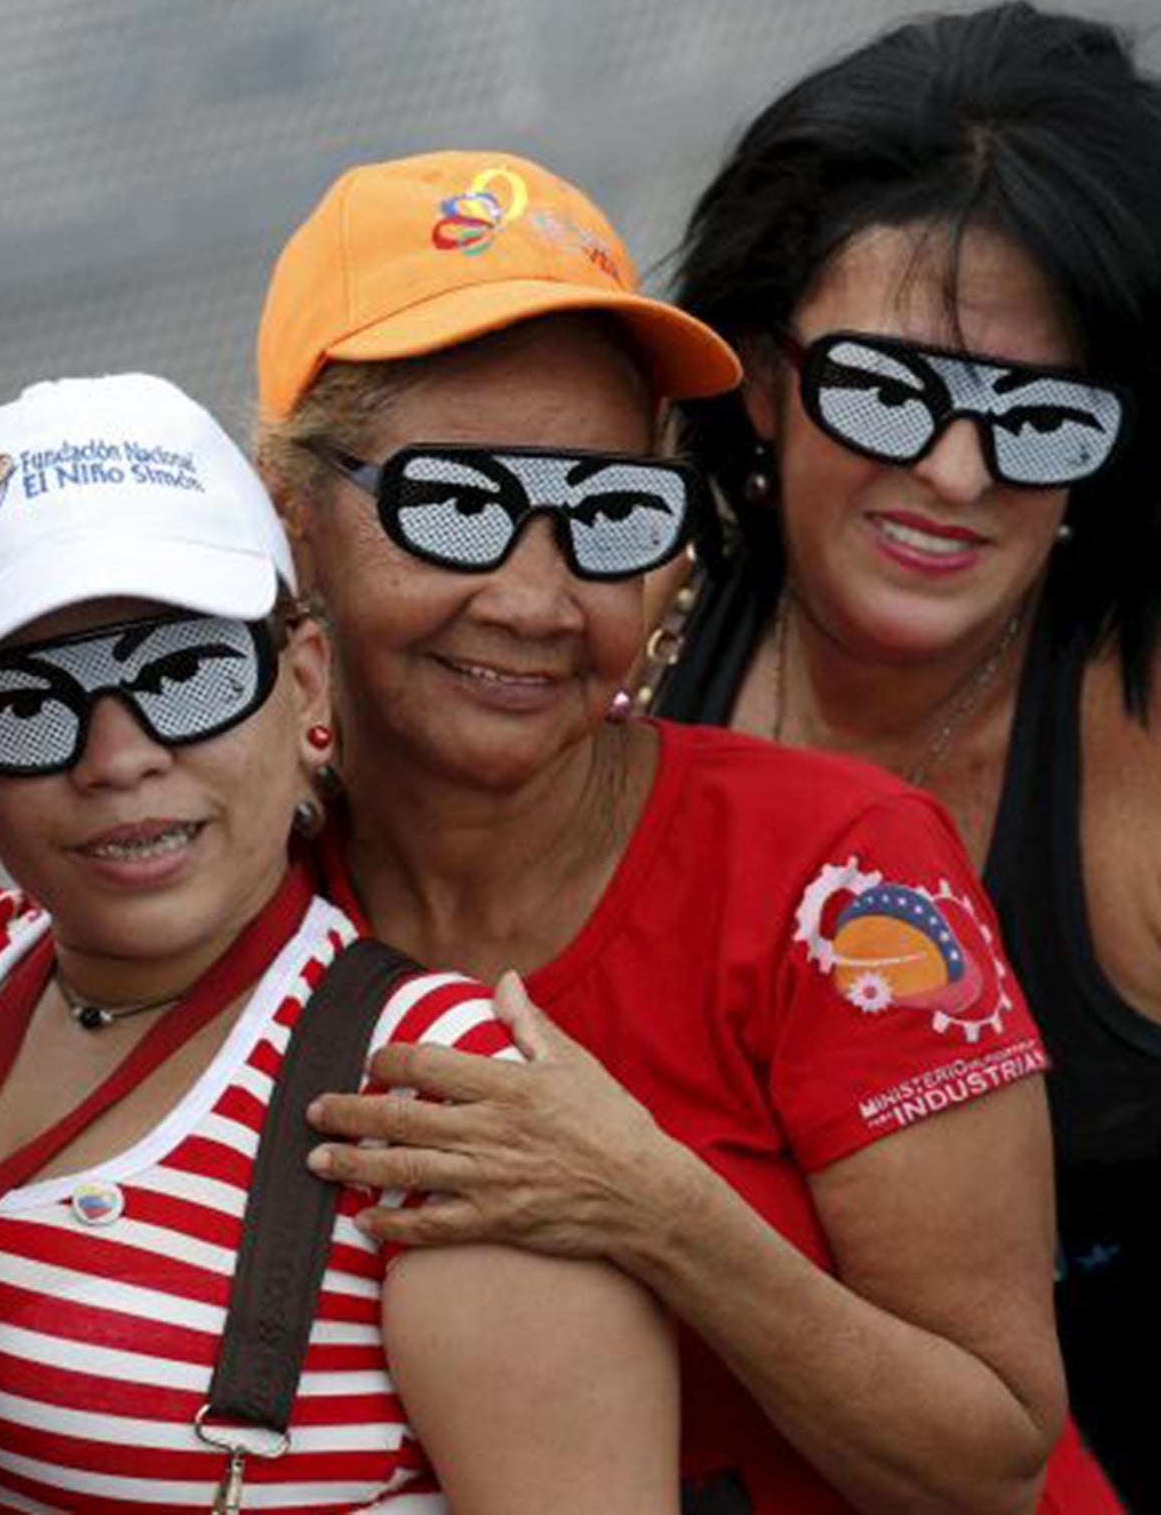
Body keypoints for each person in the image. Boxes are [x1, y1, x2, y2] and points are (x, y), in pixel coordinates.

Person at [248, 150, 1099, 1513]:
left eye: (605, 516)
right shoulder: (237, 889)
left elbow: (996, 1458)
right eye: (457, 507)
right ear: (292, 520)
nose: (537, 598)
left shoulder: (842, 874)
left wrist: (654, 1206)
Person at [0, 371, 678, 1512]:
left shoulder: (442, 1100)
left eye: (184, 676)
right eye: (26, 706)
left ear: (303, 686)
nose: (116, 757)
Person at [639, 5, 1161, 1506]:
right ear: (759, 374)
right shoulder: (620, 629)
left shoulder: (1133, 711)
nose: (954, 470)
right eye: (885, 389)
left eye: (1041, 418)